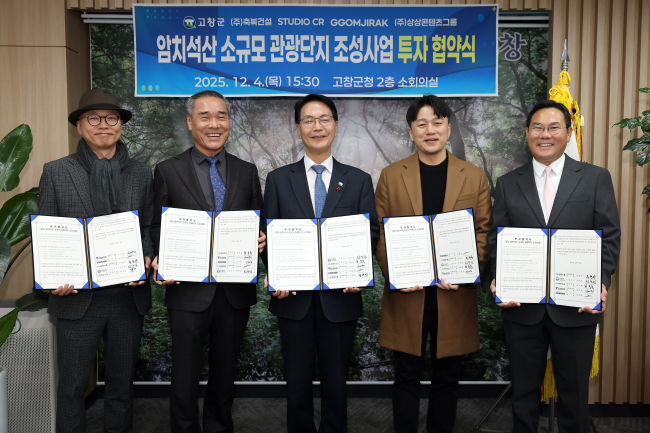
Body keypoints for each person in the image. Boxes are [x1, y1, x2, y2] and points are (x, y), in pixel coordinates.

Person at [487, 100, 621, 432]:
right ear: (527, 133)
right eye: (537, 127)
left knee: (575, 400)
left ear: (569, 132)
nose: (544, 135)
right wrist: (498, 278)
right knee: (523, 397)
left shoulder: (595, 178)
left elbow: (608, 236)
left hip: (576, 307)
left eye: (553, 127)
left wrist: (600, 282)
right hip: (521, 308)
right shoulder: (508, 183)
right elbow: (496, 239)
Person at [374, 94, 493, 433]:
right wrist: (397, 275)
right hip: (407, 294)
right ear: (410, 131)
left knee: (448, 377)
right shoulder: (391, 176)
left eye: (437, 123)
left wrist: (466, 272)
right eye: (422, 124)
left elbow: (483, 231)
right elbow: (380, 233)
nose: (430, 130)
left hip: (453, 294)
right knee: (406, 375)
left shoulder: (474, 176)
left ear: (448, 129)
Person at [262, 94, 380, 433]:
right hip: (293, 300)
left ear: (336, 126)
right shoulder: (278, 179)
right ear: (298, 128)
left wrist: (359, 269)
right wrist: (275, 273)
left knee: (336, 385)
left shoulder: (357, 179)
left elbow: (370, 232)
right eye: (309, 120)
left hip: (341, 299)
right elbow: (269, 234)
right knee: (296, 385)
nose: (318, 127)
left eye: (324, 119)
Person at [38, 88, 154, 432]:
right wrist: (52, 278)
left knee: (121, 389)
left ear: (121, 125)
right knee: (72, 388)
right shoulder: (57, 171)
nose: (103, 124)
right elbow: (48, 232)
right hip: (76, 300)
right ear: (79, 125)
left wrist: (146, 258)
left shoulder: (141, 173)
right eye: (93, 118)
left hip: (127, 298)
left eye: (112, 118)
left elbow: (148, 226)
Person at [150, 90, 265, 433]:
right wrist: (160, 259)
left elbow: (257, 221)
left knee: (225, 373)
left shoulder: (247, 171)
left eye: (221, 116)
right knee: (184, 375)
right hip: (186, 291)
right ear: (190, 122)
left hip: (234, 292)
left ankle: (218, 428)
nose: (214, 124)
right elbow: (156, 226)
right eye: (205, 116)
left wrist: (261, 238)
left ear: (229, 121)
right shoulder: (168, 170)